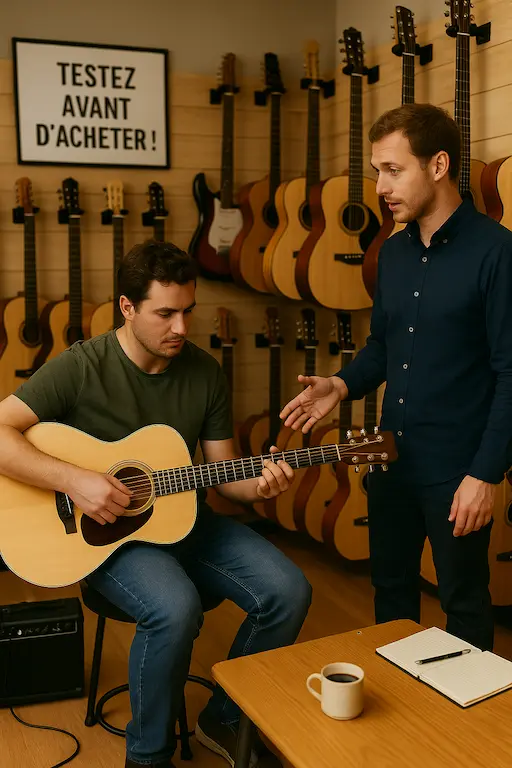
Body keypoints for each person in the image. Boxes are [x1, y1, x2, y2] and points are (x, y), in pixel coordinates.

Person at [0, 240, 312, 768]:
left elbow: (223, 473)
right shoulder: (81, 366)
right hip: (103, 537)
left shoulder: (205, 372)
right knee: (174, 606)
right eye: (165, 313)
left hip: (184, 520)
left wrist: (259, 487)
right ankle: (148, 758)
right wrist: (76, 480)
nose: (181, 328)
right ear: (127, 307)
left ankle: (227, 717)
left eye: (187, 311)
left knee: (289, 590)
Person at [281, 103, 512, 653]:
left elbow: (511, 371)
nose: (381, 186)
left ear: (437, 165)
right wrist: (340, 385)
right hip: (390, 459)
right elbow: (385, 347)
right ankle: (398, 729)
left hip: (458, 471)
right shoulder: (393, 252)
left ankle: (465, 736)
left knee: (464, 601)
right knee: (390, 597)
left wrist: (486, 474)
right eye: (377, 172)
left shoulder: (497, 252)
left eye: (392, 170)